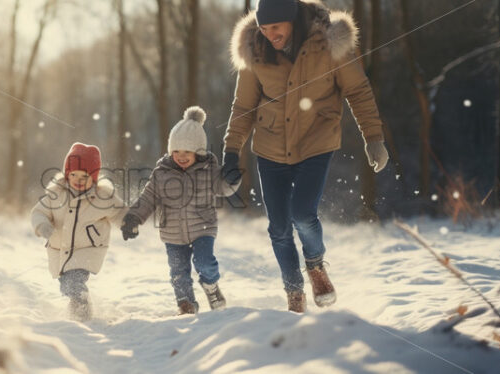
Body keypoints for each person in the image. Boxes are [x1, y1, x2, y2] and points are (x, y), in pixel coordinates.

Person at [222, 0, 390, 313]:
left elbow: (358, 91)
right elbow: (243, 106)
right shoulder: (254, 50)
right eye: (264, 27)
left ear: (293, 19)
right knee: (279, 227)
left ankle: (314, 265)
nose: (269, 34)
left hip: (317, 142)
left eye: (276, 27)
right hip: (270, 148)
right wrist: (231, 152)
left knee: (302, 214)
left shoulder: (329, 43)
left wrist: (374, 137)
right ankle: (293, 290)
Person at [121, 106, 240, 315]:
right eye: (176, 151)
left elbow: (224, 189)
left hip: (203, 227)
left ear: (199, 152)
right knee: (178, 272)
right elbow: (148, 197)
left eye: (187, 152)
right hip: (172, 233)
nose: (181, 156)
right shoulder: (162, 173)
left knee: (205, 262)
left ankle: (211, 287)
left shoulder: (208, 170)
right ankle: (186, 303)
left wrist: (232, 178)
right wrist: (133, 218)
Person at [30, 142, 124, 321]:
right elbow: (38, 212)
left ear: (94, 177)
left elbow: (120, 211)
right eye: (74, 174)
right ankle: (77, 308)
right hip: (59, 251)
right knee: (66, 284)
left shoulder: (102, 197)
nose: (78, 179)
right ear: (67, 173)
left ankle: (82, 313)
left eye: (85, 176)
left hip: (87, 249)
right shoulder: (55, 194)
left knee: (74, 282)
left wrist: (129, 224)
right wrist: (42, 225)